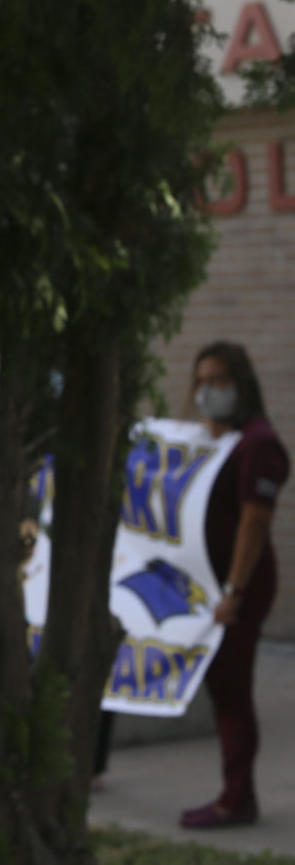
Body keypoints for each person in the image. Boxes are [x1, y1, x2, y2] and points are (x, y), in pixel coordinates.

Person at [179, 341, 289, 829]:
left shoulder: (258, 444)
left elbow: (254, 522)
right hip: (214, 583)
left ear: (240, 383)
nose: (207, 391)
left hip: (239, 585)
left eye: (218, 380)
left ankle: (237, 798)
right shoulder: (219, 439)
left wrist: (234, 592)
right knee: (225, 688)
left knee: (231, 690)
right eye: (201, 382)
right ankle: (235, 792)